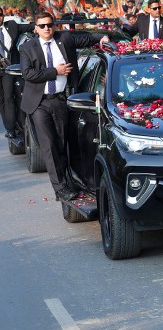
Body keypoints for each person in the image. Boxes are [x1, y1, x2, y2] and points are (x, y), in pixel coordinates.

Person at [20, 13, 109, 201]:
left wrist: (102, 37)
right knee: (49, 145)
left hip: (61, 100)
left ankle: (69, 181)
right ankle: (60, 189)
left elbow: (85, 38)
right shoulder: (28, 47)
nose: (46, 29)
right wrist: (55, 71)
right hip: (39, 103)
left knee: (62, 144)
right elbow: (28, 74)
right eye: (42, 25)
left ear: (54, 26)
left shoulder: (64, 39)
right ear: (35, 28)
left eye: (50, 25)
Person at [0, 8, 35, 140]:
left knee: (9, 97)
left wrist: (39, 26)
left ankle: (11, 129)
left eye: (0, 15)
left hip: (9, 68)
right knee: (2, 100)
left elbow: (29, 27)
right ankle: (9, 125)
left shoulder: (12, 26)